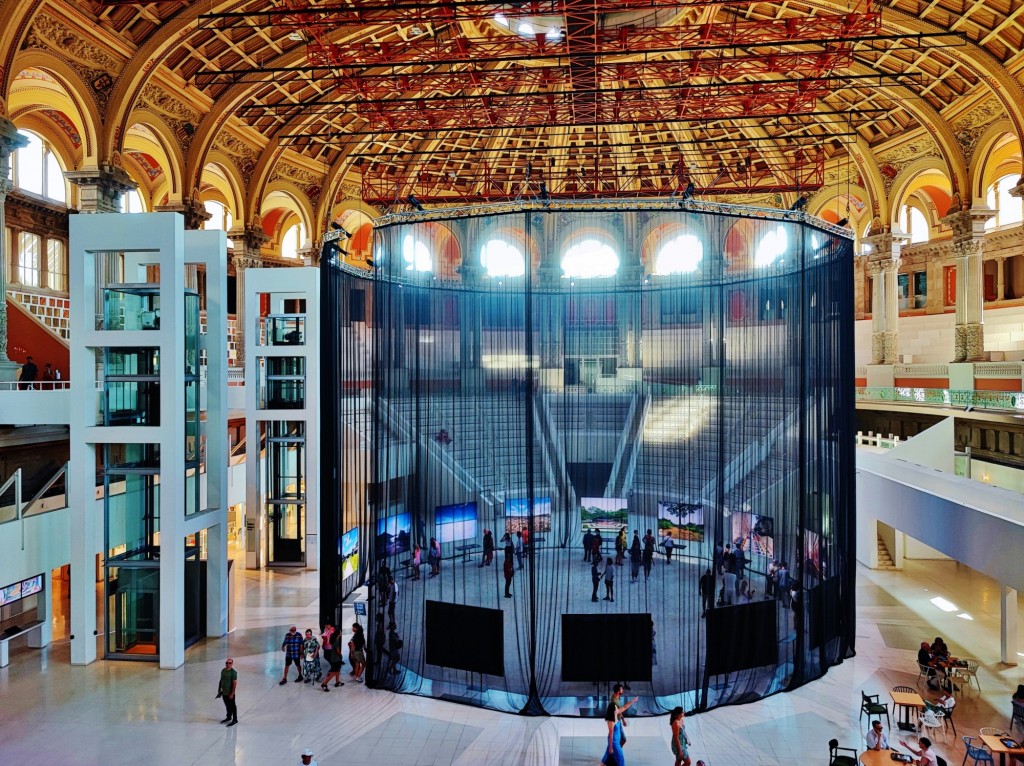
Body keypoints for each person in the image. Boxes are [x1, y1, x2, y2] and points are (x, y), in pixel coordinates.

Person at [602, 690, 638, 766]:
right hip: (614, 741)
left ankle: (602, 763)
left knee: (617, 757)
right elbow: (611, 735)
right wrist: (611, 748)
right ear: (612, 711)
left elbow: (624, 707)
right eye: (616, 709)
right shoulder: (611, 722)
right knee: (620, 758)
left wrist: (632, 701)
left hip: (617, 739)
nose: (617, 709)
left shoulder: (616, 713)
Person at [216, 658, 238, 726]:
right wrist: (219, 689)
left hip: (230, 693)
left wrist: (232, 693)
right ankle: (228, 717)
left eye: (229, 663)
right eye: (226, 663)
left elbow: (234, 684)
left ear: (232, 664)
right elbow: (221, 680)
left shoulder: (233, 672)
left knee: (232, 706)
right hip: (224, 692)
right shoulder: (223, 670)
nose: (227, 664)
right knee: (227, 705)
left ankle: (235, 719)